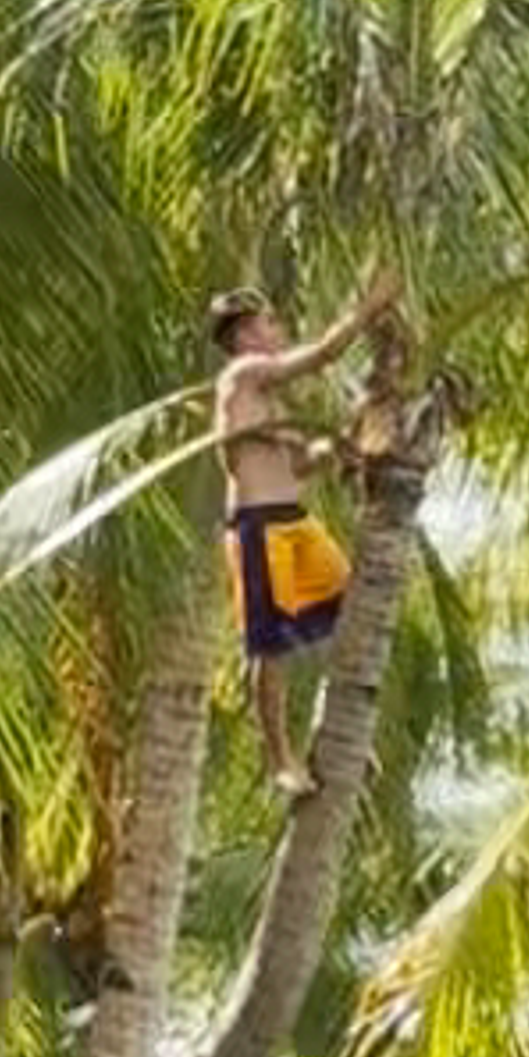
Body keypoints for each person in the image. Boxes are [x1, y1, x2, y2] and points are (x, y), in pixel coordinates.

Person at [209, 285, 376, 796]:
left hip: (294, 520)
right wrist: (368, 308)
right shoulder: (243, 375)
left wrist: (341, 445)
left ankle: (342, 728)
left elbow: (300, 466)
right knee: (273, 649)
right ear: (244, 335)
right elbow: (324, 354)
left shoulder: (266, 401)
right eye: (269, 323)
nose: (277, 331)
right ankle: (281, 759)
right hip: (259, 524)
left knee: (356, 610)